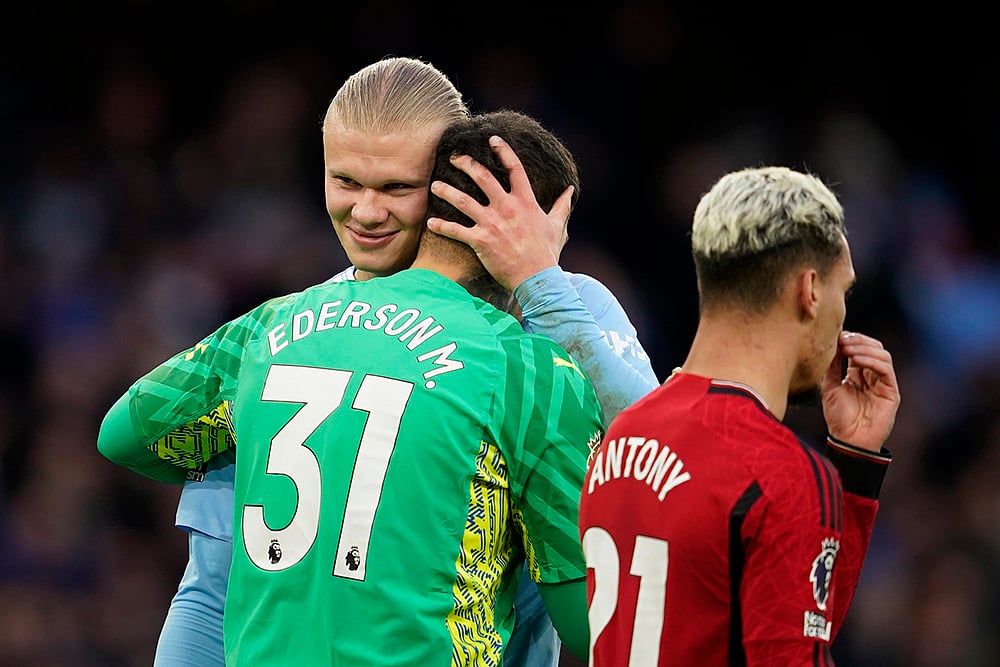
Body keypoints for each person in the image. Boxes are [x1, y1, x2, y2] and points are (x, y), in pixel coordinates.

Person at [144, 57, 658, 667]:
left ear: (457, 177)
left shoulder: (562, 309)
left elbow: (654, 465)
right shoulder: (292, 332)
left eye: (396, 187)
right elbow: (208, 588)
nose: (365, 213)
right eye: (346, 181)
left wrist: (539, 283)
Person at [577, 166, 901, 666]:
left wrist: (854, 468)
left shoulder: (621, 436)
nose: (843, 315)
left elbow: (788, 617)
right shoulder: (779, 471)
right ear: (810, 290)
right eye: (845, 290)